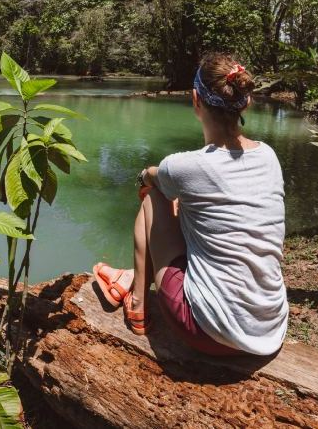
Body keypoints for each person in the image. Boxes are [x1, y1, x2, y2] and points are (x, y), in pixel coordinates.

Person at [91, 53, 288, 356]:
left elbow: (151, 177)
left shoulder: (185, 166)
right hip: (269, 328)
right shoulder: (269, 157)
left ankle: (138, 306)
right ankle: (130, 277)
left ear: (195, 100)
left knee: (155, 197)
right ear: (245, 102)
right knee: (183, 203)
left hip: (209, 331)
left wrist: (146, 175)